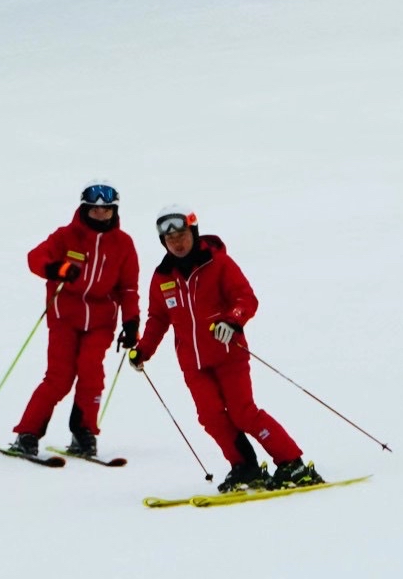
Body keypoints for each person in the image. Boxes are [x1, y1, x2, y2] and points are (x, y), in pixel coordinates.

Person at [128, 205, 323, 492]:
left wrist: (232, 321)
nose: (177, 243)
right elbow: (158, 319)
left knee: (243, 412)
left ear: (193, 232)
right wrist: (143, 350)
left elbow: (246, 298)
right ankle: (245, 468)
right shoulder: (162, 276)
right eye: (170, 239)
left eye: (182, 235)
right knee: (211, 417)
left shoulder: (219, 264)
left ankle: (292, 463)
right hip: (193, 363)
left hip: (229, 355)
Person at [9, 180, 140, 456]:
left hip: (101, 322)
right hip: (65, 318)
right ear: (84, 209)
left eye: (107, 210)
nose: (101, 215)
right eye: (95, 210)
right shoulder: (66, 236)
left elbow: (128, 288)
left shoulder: (123, 244)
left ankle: (84, 433)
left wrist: (131, 322)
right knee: (59, 377)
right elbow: (35, 258)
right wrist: (56, 269)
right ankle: (27, 433)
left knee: (92, 373)